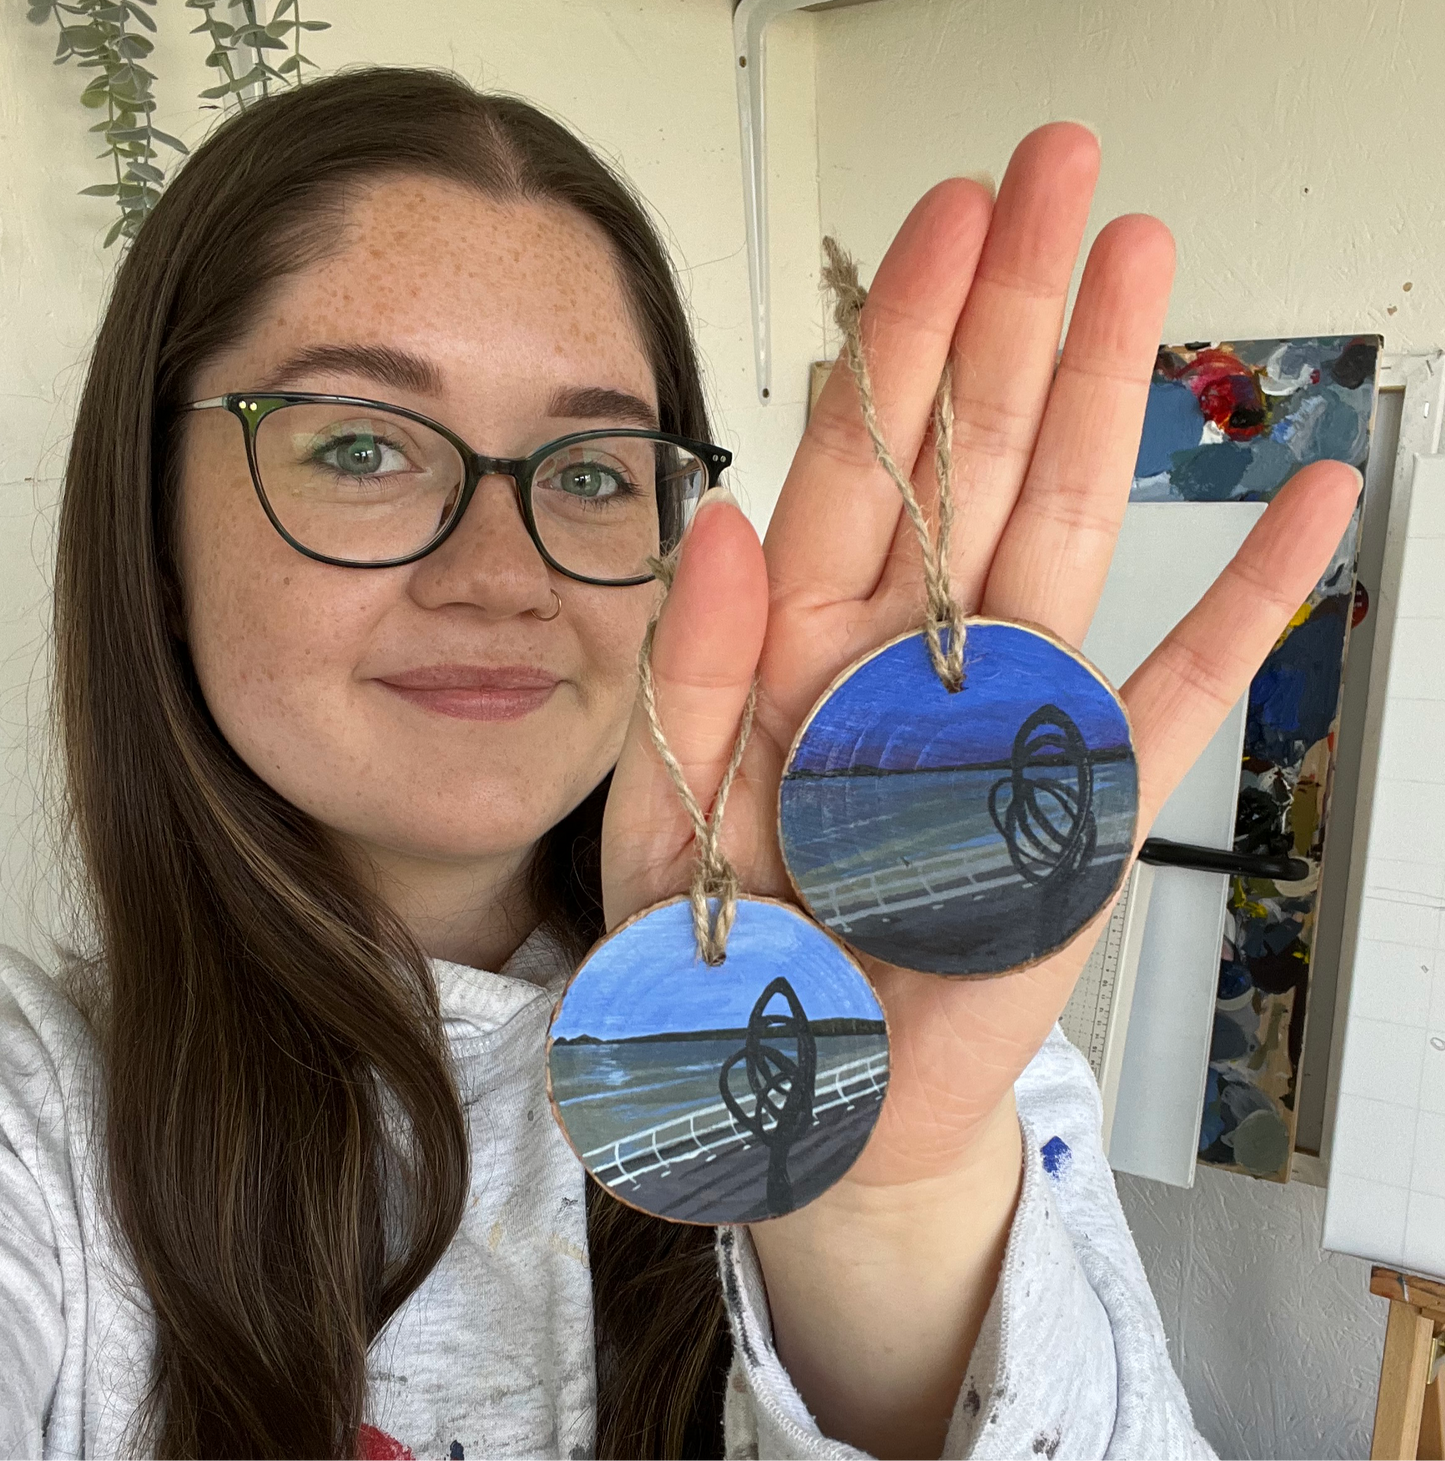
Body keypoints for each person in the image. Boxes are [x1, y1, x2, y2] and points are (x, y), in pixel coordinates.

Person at [0, 66, 1357, 1461]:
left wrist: (881, 1218)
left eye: (591, 472)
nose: (501, 575)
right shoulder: (38, 1129)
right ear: (152, 531)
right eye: (360, 444)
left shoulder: (927, 1045)